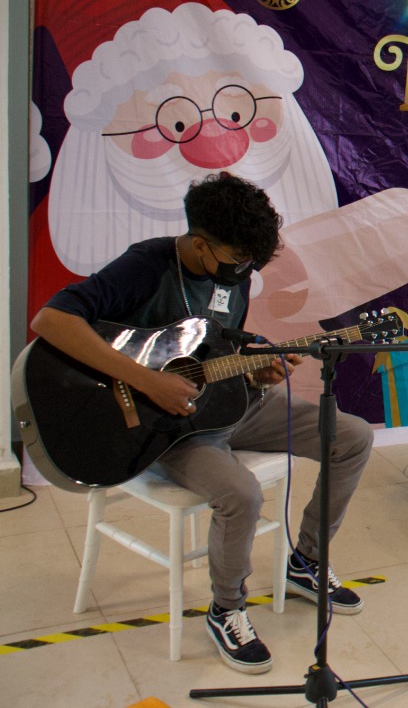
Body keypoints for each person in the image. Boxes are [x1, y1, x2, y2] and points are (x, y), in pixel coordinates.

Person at [29, 173, 373, 674]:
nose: (243, 270)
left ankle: (306, 562)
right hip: (167, 427)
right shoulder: (145, 266)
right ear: (198, 243)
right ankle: (227, 609)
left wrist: (258, 371)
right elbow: (51, 321)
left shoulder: (229, 276)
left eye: (250, 262)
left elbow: (215, 354)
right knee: (243, 495)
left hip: (229, 406)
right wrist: (147, 382)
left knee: (354, 436)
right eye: (236, 260)